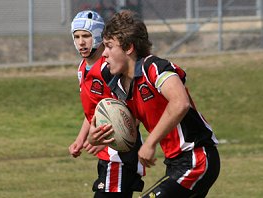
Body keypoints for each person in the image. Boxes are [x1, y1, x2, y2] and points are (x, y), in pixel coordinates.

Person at [88, 10, 220, 198]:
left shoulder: (154, 68)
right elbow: (128, 128)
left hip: (197, 158)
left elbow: (180, 103)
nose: (104, 53)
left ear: (128, 48)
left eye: (109, 46)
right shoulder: (118, 82)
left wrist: (150, 143)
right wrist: (98, 137)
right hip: (176, 164)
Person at [68, 10, 145, 198]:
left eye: (86, 36)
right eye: (76, 36)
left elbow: (130, 111)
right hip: (106, 154)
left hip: (118, 153)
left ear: (99, 36)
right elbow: (96, 112)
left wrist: (110, 137)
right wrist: (81, 139)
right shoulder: (82, 68)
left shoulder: (108, 68)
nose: (81, 42)